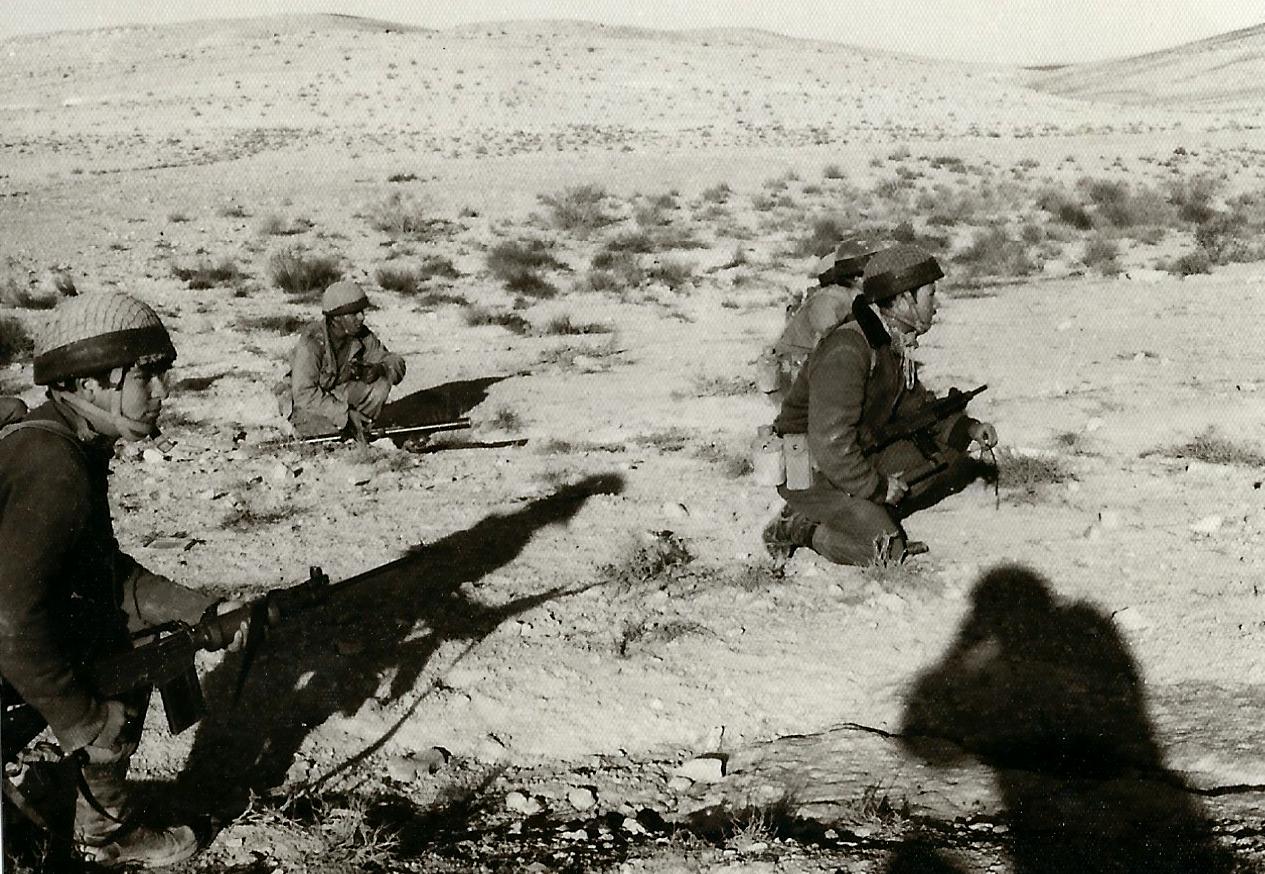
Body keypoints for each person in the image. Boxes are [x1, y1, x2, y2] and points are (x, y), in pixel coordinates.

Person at [0, 291, 245, 868]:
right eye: (145, 376)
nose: (163, 392)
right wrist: (86, 722)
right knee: (125, 658)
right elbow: (10, 624)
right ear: (90, 385)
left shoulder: (65, 440)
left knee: (139, 640)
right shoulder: (55, 467)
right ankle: (103, 836)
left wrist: (202, 610)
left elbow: (104, 576)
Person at [763, 243, 998, 566]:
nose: (936, 305)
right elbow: (830, 444)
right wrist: (877, 488)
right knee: (886, 550)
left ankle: (858, 512)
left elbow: (915, 409)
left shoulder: (887, 341)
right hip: (810, 472)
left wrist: (967, 427)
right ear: (903, 300)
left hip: (849, 456)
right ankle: (798, 526)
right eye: (930, 294)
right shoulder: (848, 350)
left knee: (946, 454)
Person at [758, 235, 890, 408]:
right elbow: (829, 348)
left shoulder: (854, 300)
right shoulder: (830, 301)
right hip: (793, 376)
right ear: (858, 278)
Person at [278, 280, 406, 440]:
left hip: (336, 397)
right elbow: (304, 395)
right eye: (354, 313)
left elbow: (395, 361)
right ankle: (346, 429)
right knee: (323, 432)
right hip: (305, 404)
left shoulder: (362, 335)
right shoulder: (312, 342)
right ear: (336, 318)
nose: (361, 317)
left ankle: (360, 428)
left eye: (362, 311)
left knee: (380, 384)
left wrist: (381, 368)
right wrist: (345, 415)